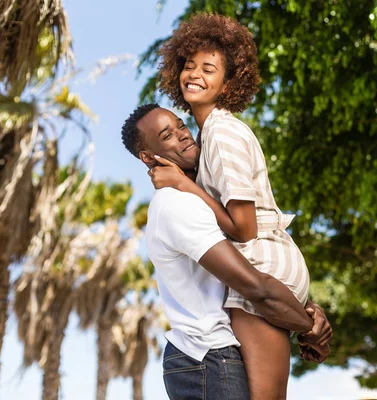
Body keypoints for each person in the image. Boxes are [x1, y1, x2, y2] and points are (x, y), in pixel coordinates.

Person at [121, 104, 333, 400]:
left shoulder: (202, 197)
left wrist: (305, 306)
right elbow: (255, 288)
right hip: (207, 357)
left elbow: (249, 264)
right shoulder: (176, 205)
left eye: (181, 126)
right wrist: (311, 329)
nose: (183, 136)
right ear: (148, 156)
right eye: (167, 135)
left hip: (217, 354)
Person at [152, 13, 315, 399]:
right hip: (264, 263)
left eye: (209, 68)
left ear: (228, 83)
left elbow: (243, 228)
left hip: (262, 264)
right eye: (189, 65)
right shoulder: (209, 136)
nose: (194, 74)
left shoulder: (223, 132)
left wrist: (183, 187)